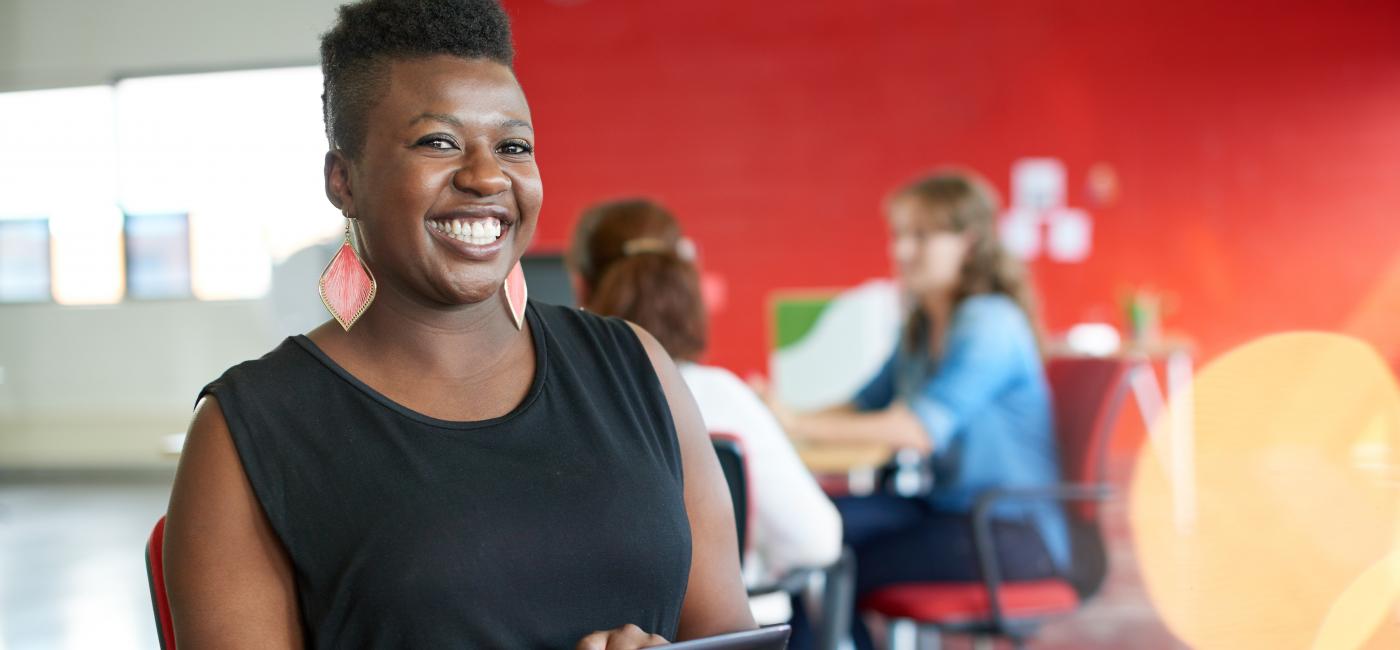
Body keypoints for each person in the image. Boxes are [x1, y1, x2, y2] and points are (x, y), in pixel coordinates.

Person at [161, 1, 756, 648]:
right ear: (344, 181)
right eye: (437, 142)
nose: (485, 175)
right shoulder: (248, 434)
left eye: (514, 146)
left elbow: (727, 633)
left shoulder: (637, 369)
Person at [766, 170, 1068, 649]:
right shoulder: (922, 325)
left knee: (833, 566)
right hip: (948, 510)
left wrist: (796, 422)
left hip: (1008, 534)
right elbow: (862, 405)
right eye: (900, 235)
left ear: (967, 242)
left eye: (921, 236)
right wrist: (776, 417)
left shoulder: (990, 322)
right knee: (802, 535)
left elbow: (918, 429)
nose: (903, 250)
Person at [566, 199, 843, 602]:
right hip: (735, 629)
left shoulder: (561, 402)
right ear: (686, 282)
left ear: (580, 286)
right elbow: (817, 542)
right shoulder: (725, 398)